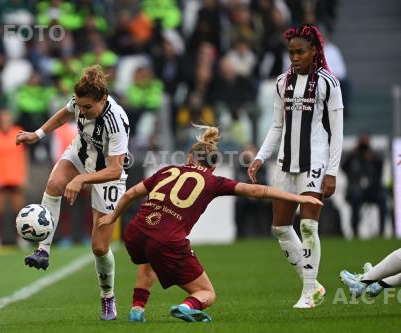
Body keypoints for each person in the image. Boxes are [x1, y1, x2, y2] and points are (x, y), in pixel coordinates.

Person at [97, 125, 323, 322]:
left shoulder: (166, 170)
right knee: (206, 292)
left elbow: (129, 195)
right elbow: (256, 190)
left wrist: (112, 217)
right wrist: (298, 197)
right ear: (213, 167)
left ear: (188, 158)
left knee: (148, 259)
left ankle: (137, 310)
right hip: (166, 241)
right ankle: (187, 307)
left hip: (135, 232)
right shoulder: (214, 180)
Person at [16, 65, 130, 321]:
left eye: (88, 107)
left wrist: (82, 179)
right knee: (55, 184)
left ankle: (107, 296)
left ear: (102, 99)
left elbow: (114, 169)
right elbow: (65, 113)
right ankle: (43, 250)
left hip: (107, 174)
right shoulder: (81, 100)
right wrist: (37, 134)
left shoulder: (116, 122)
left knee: (100, 248)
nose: (83, 111)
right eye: (80, 106)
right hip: (81, 153)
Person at [248, 24, 344, 308]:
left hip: (315, 160)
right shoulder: (282, 82)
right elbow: (277, 126)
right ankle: (313, 284)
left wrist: (332, 171)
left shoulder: (328, 82)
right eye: (291, 53)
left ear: (314, 51)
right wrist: (261, 157)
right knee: (279, 228)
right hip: (285, 163)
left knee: (309, 227)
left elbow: (337, 130)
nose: (295, 58)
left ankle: (309, 291)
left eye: (300, 52)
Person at [0, 108, 28, 249]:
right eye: (2, 120)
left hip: (15, 175)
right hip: (0, 176)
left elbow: (24, 155)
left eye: (7, 119)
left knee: (18, 210)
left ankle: (20, 238)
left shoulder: (18, 131)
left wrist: (24, 175)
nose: (5, 122)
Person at [341, 132, 388, 238]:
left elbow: (379, 175)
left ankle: (382, 232)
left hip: (372, 191)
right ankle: (355, 231)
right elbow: (343, 167)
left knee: (382, 198)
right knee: (355, 198)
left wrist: (372, 158)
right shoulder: (353, 155)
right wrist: (353, 154)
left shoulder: (374, 156)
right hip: (356, 191)